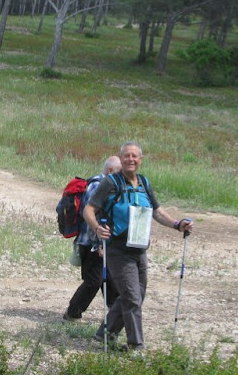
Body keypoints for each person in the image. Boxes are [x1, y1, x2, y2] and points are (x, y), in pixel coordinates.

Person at [82, 141, 193, 351]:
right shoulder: (111, 183)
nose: (130, 159)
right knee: (133, 297)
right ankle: (136, 346)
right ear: (121, 159)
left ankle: (105, 333)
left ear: (140, 160)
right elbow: (89, 209)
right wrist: (97, 228)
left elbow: (157, 212)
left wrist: (177, 225)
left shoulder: (144, 183)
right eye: (126, 156)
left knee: (137, 296)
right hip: (117, 249)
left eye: (134, 156)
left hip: (139, 247)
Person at [63, 156, 122, 322]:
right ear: (110, 171)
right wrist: (98, 245)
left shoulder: (107, 186)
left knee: (109, 278)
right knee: (93, 281)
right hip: (91, 243)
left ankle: (114, 312)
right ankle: (72, 313)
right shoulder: (97, 186)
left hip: (101, 242)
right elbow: (89, 218)